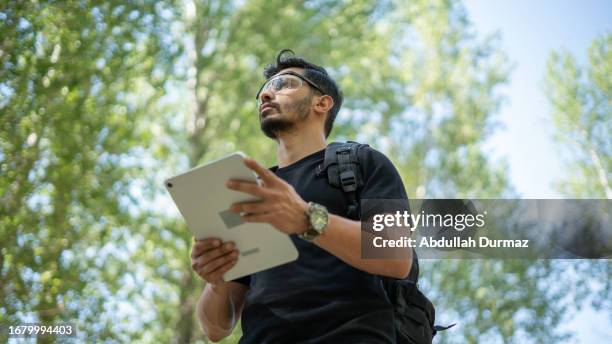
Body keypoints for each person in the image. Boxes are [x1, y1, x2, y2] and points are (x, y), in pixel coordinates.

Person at [190, 49, 412, 343]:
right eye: (264, 92)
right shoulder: (250, 191)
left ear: (322, 102)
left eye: (283, 84)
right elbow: (216, 329)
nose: (267, 96)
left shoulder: (362, 162)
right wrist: (216, 282)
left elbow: (395, 254)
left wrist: (307, 219)